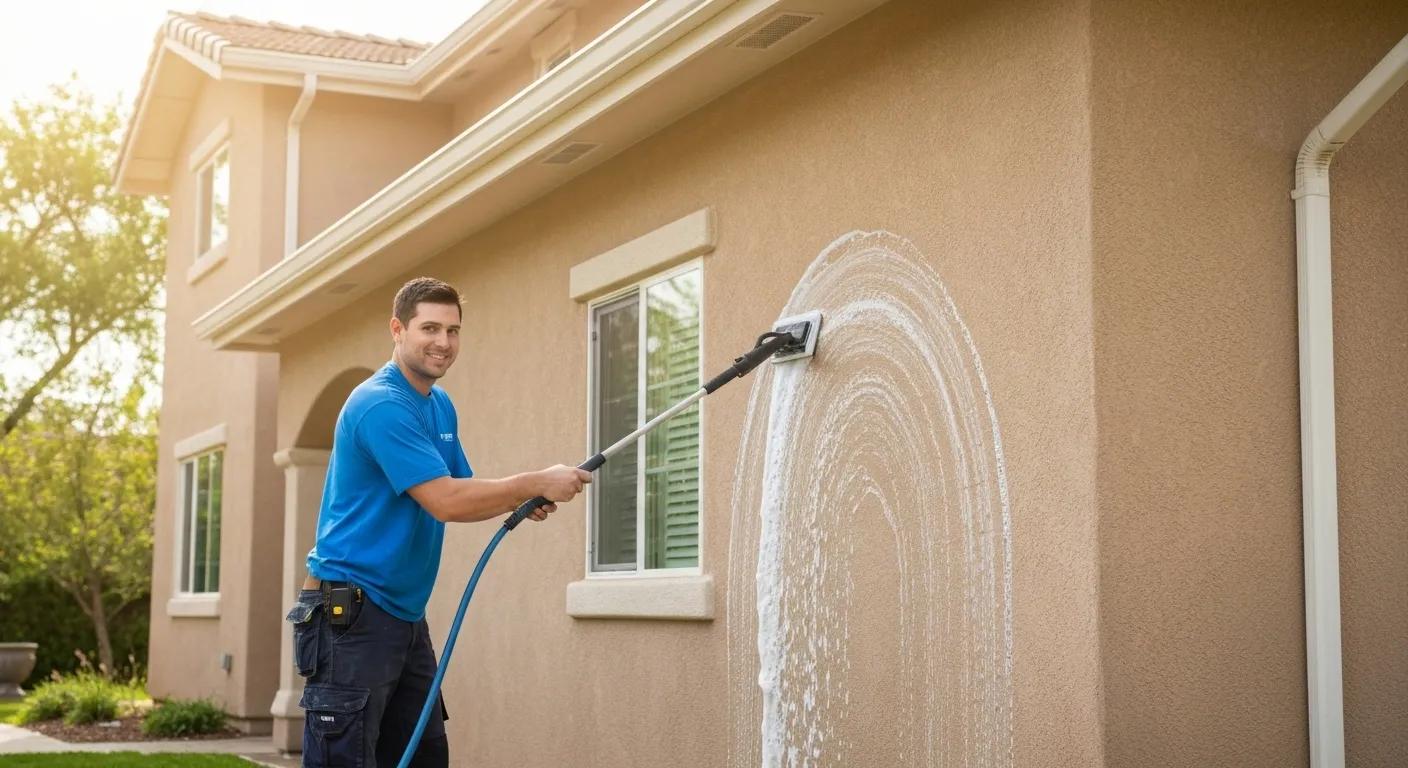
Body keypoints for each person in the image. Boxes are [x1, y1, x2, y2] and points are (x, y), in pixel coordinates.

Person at [286, 276, 591, 767]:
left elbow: (463, 487)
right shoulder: (381, 404)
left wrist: (526, 495)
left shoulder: (438, 405)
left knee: (422, 755)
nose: (443, 343)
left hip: (403, 615)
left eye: (453, 331)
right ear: (398, 329)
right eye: (430, 328)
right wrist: (534, 478)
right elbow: (445, 501)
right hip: (352, 617)